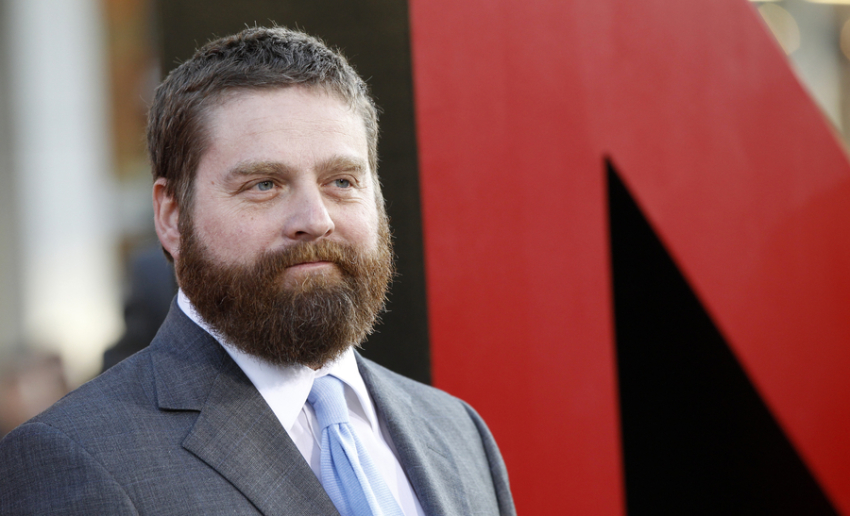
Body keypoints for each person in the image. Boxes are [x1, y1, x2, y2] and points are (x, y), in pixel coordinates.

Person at [0, 27, 515, 515]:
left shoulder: (457, 433)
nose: (315, 220)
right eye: (264, 185)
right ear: (172, 217)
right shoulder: (75, 459)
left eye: (342, 180)